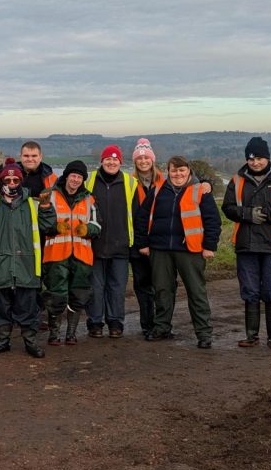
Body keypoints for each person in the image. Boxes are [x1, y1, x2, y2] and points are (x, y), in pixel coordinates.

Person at [221, 136, 271, 350]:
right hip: (246, 244)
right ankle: (251, 336)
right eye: (251, 159)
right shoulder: (237, 180)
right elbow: (228, 208)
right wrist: (247, 214)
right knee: (249, 290)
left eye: (258, 158)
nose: (255, 162)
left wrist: (268, 215)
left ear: (267, 158)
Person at [0, 159, 57, 358]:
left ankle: (30, 342)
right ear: (2, 182)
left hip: (26, 265)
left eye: (15, 179)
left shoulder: (33, 204)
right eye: (7, 179)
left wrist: (45, 207)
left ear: (21, 181)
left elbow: (49, 227)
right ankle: (3, 342)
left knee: (28, 308)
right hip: (0, 264)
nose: (11, 183)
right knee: (0, 307)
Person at [135, 155, 221, 348]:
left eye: (181, 170)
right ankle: (162, 328)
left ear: (189, 171)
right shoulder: (157, 190)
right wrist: (143, 243)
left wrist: (209, 246)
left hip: (190, 249)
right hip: (160, 249)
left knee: (196, 292)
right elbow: (142, 217)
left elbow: (212, 221)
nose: (177, 174)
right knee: (162, 290)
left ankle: (204, 333)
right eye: (174, 170)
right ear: (168, 172)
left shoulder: (200, 191)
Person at [44, 160, 100, 345]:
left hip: (81, 256)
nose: (75, 180)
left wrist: (88, 230)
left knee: (78, 296)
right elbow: (41, 223)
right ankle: (54, 334)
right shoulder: (50, 196)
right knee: (56, 296)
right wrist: (54, 227)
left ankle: (71, 333)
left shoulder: (88, 199)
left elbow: (97, 225)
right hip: (56, 256)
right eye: (73, 175)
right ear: (66, 176)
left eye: (79, 177)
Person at [84, 145, 138, 339]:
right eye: (108, 159)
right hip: (94, 244)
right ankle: (95, 323)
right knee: (95, 288)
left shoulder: (130, 183)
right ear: (102, 161)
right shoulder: (89, 180)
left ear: (120, 162)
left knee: (117, 287)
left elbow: (138, 212)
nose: (111, 162)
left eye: (115, 160)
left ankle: (115, 322)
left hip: (121, 244)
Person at [126, 138, 161, 337]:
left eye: (147, 157)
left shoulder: (163, 181)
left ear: (152, 159)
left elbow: (189, 182)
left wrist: (205, 184)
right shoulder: (129, 183)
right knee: (143, 285)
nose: (143, 161)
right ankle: (147, 324)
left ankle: (162, 323)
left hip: (160, 243)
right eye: (139, 158)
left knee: (162, 285)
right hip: (137, 244)